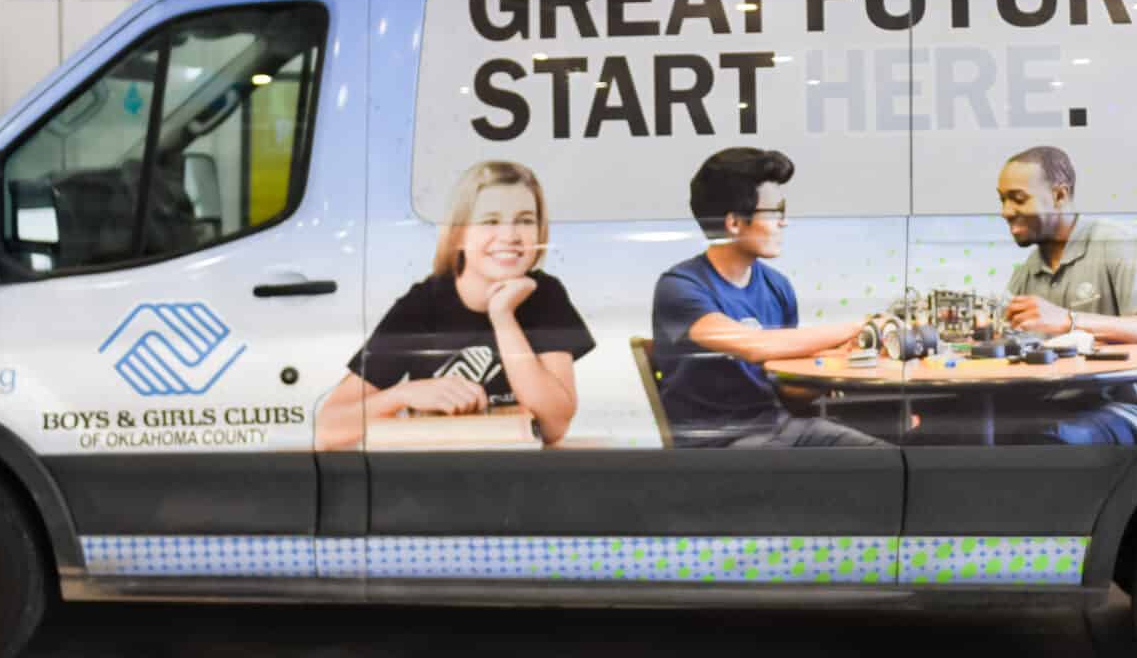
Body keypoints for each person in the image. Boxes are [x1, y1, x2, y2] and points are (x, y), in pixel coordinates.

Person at [315, 160, 593, 450]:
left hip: (518, 473)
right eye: (490, 221)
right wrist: (404, 394)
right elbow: (328, 428)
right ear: (459, 233)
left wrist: (503, 316)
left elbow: (554, 426)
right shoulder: (421, 305)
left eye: (524, 220)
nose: (510, 236)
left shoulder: (545, 295)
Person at [649, 147, 882, 447]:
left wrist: (832, 365)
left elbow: (785, 388)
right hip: (716, 444)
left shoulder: (777, 286)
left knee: (881, 460)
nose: (783, 223)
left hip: (779, 428)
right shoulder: (680, 287)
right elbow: (753, 345)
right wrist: (857, 326)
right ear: (734, 223)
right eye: (775, 212)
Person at [989, 145, 1137, 444]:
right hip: (1069, 408)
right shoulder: (1026, 272)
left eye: (1018, 199)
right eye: (1002, 199)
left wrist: (1069, 321)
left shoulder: (1115, 244)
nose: (1005, 212)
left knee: (1045, 439)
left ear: (1059, 196)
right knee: (960, 429)